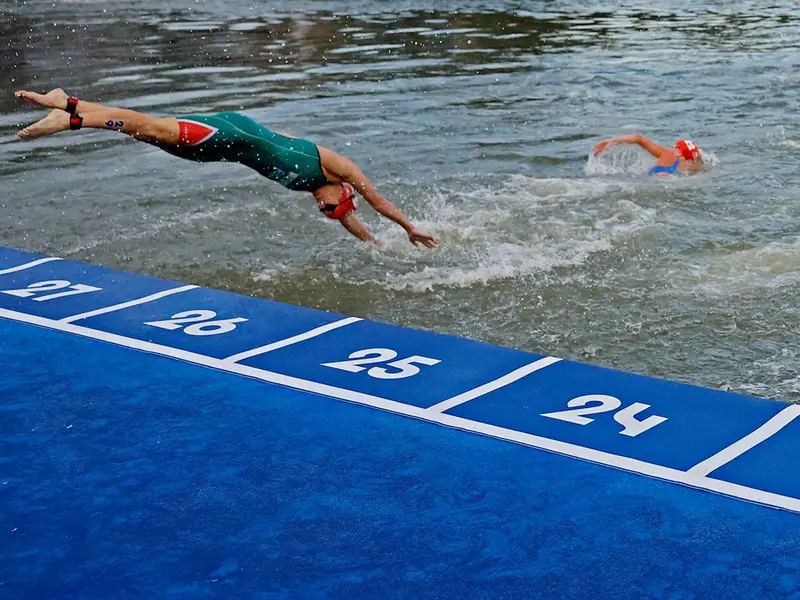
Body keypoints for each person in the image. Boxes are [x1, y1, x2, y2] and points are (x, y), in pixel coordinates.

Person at [14, 88, 438, 248]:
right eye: (331, 209)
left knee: (141, 132)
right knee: (150, 126)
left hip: (219, 149)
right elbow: (377, 201)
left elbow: (353, 223)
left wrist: (376, 247)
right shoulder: (338, 167)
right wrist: (408, 228)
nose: (322, 209)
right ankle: (69, 120)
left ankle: (69, 103)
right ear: (341, 193)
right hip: (234, 132)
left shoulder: (319, 191)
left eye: (327, 214)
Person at [593, 134, 703, 175]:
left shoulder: (667, 155)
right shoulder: (692, 166)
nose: (672, 148)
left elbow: (639, 138)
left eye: (676, 148)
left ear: (680, 154)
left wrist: (611, 140)